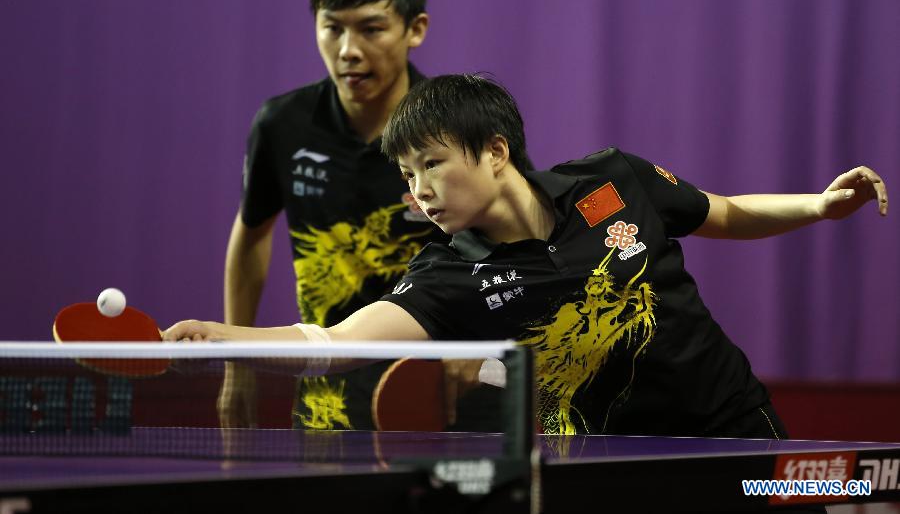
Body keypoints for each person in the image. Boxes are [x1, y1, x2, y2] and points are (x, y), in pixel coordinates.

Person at [180, 74, 889, 439]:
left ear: (494, 150)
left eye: (430, 163)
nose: (418, 191)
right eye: (406, 176)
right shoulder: (448, 273)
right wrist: (224, 340)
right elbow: (333, 342)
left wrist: (818, 206)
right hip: (612, 463)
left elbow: (724, 211)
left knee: (840, 486)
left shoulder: (613, 178)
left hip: (737, 428)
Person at [221, 0, 443, 431]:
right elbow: (251, 235)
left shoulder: (454, 124)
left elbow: (512, 240)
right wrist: (238, 363)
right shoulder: (283, 125)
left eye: (371, 29)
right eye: (332, 28)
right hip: (328, 388)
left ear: (415, 29)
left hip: (439, 384)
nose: (348, 51)